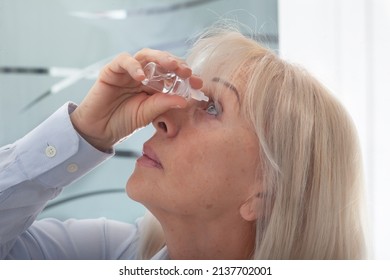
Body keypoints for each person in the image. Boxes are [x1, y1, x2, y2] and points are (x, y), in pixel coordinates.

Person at [0, 25, 366, 260]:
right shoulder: (109, 254)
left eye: (211, 107)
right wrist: (84, 131)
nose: (161, 117)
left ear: (264, 194)